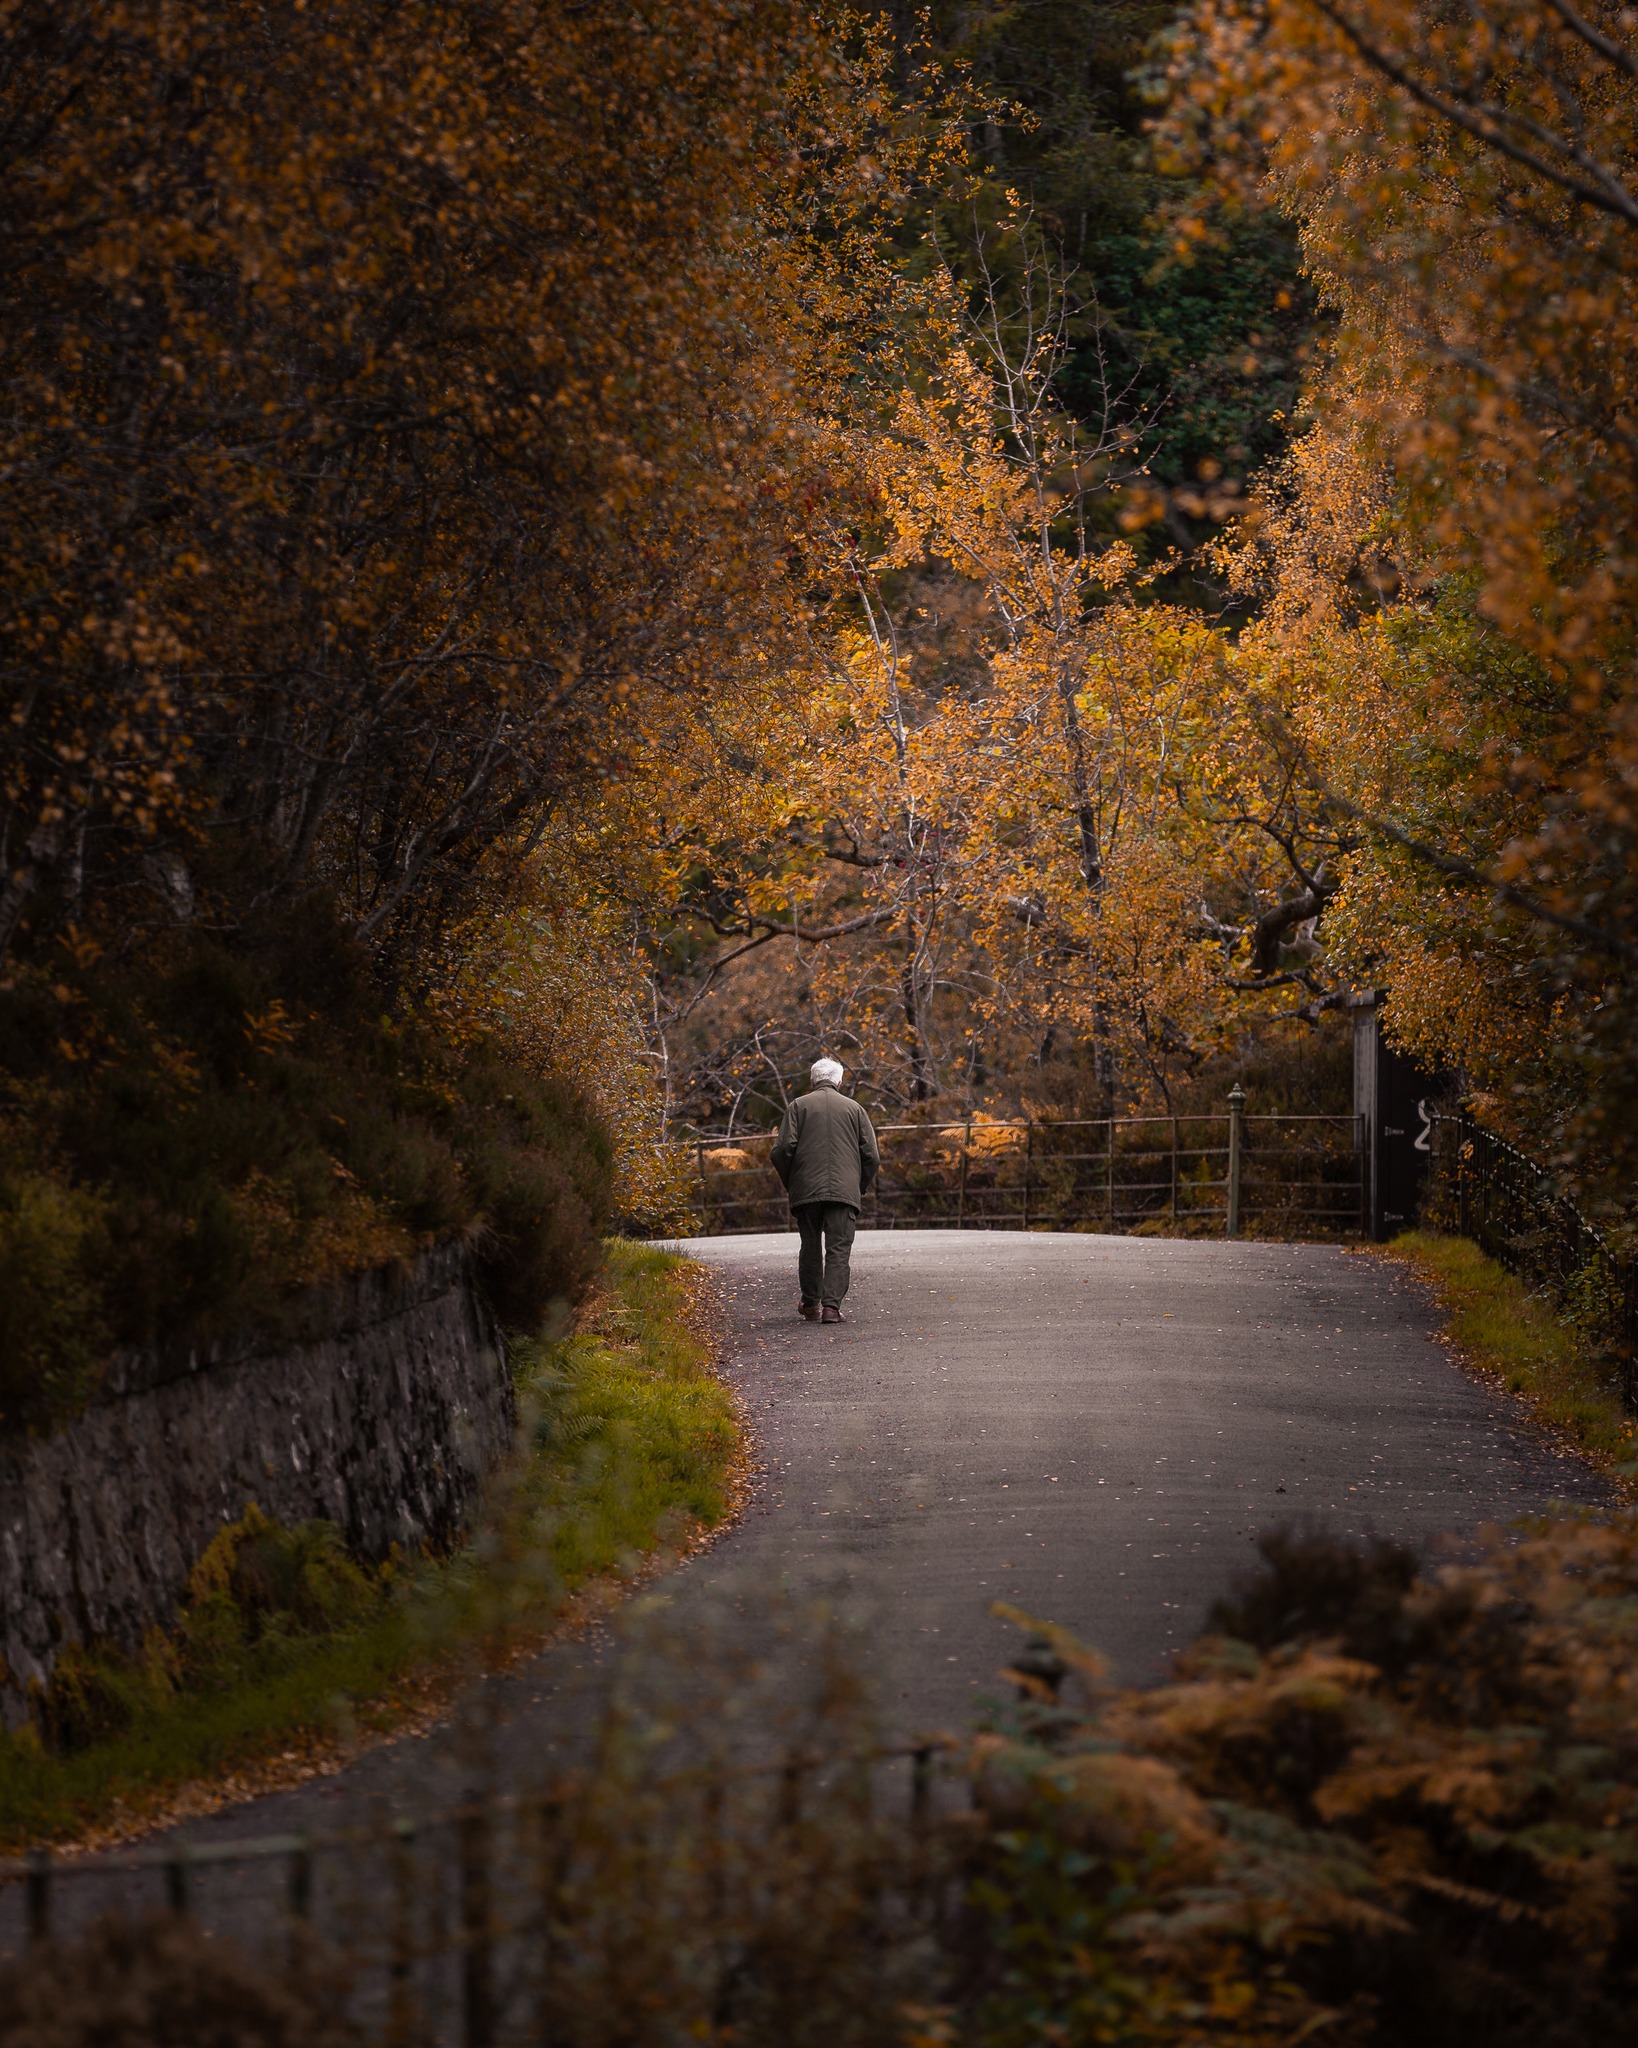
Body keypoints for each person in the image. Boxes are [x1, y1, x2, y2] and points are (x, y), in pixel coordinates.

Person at [770, 1056, 880, 1324]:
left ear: (813, 1080)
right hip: (844, 1192)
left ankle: (810, 1305)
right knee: (839, 1249)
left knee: (810, 1245)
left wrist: (793, 1182)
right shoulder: (855, 1110)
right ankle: (831, 1308)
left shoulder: (798, 1107)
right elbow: (872, 1156)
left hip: (806, 1190)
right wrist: (858, 1186)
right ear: (839, 1081)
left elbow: (782, 1150)